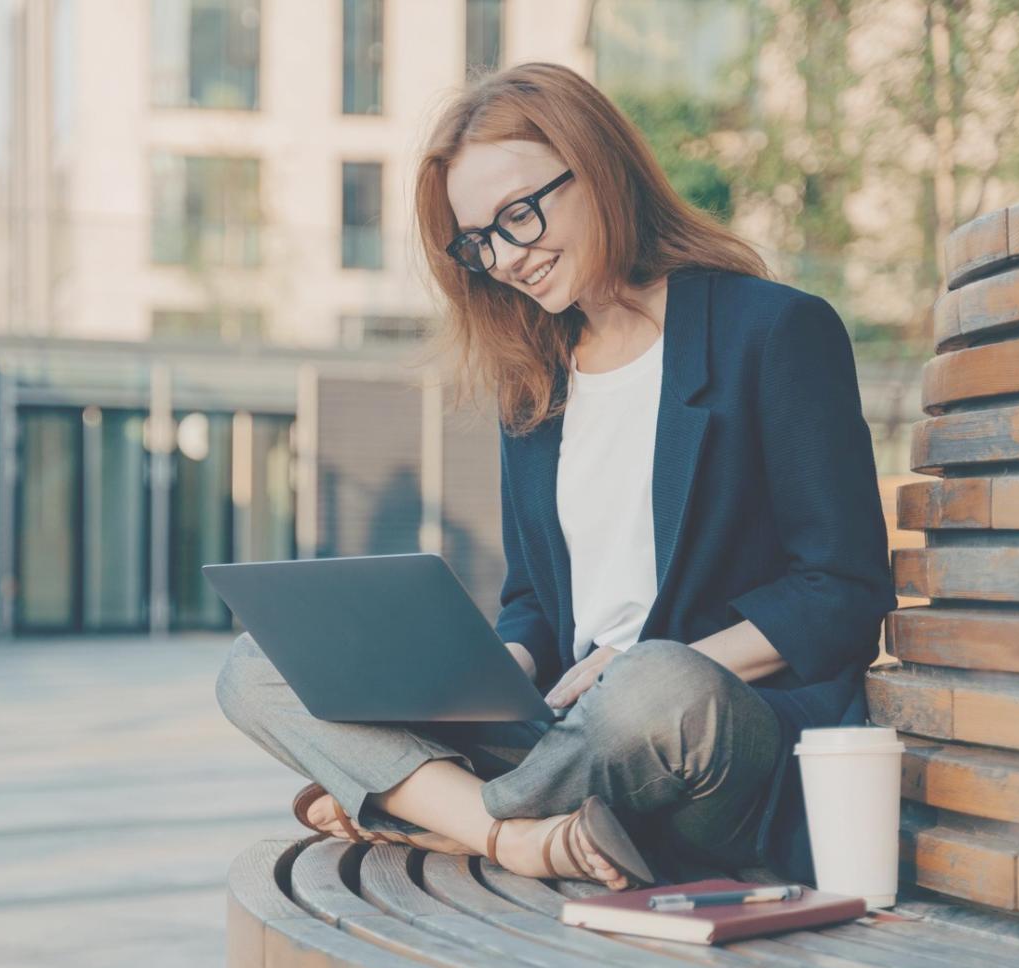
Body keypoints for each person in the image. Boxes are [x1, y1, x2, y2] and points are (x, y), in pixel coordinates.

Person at [216, 62, 895, 889]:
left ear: (598, 167)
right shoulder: (534, 381)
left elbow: (842, 592)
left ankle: (430, 815)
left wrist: (649, 661)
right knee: (257, 663)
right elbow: (535, 602)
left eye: (519, 215)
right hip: (566, 739)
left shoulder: (773, 331)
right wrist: (496, 669)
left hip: (709, 739)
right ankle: (514, 836)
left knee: (652, 679)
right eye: (480, 242)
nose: (505, 258)